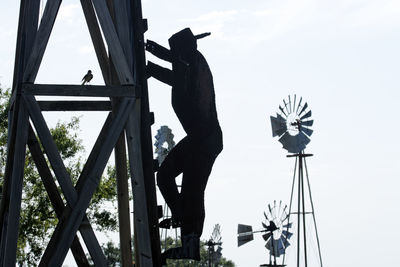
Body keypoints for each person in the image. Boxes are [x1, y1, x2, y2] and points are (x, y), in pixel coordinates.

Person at [146, 28, 223, 261]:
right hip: (203, 138)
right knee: (183, 185)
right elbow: (174, 66)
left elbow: (175, 75)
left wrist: (149, 63)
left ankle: (186, 233)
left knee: (187, 187)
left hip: (204, 139)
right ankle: (185, 230)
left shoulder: (191, 67)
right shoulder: (192, 62)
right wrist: (150, 49)